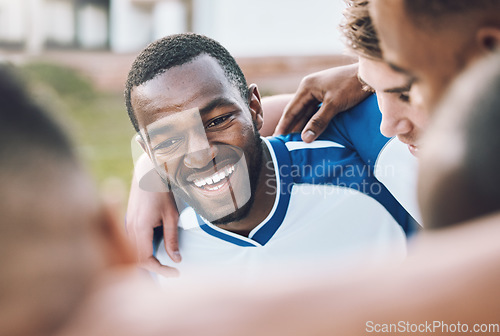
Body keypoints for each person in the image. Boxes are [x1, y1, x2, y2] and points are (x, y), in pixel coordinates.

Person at [124, 33, 417, 278]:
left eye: (217, 121)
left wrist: (362, 75)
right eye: (169, 141)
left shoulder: (357, 150)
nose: (200, 156)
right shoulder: (149, 248)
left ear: (255, 108)